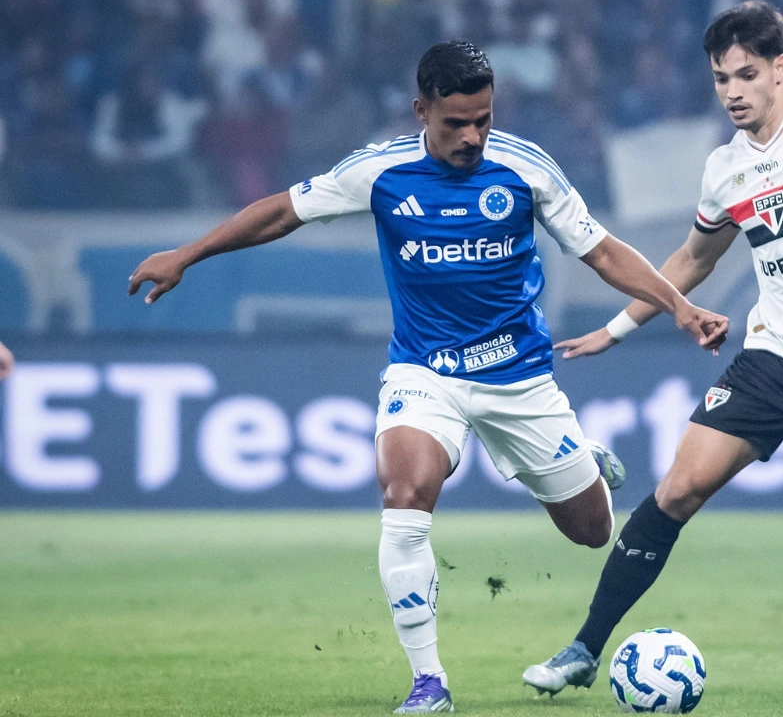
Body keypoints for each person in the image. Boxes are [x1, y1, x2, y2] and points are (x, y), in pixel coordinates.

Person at [127, 41, 728, 714]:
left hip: (519, 377)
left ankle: (578, 461)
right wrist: (188, 253)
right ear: (421, 110)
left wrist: (677, 305)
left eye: (484, 121)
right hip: (425, 372)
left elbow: (602, 251)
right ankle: (429, 683)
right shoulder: (380, 171)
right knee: (405, 495)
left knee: (591, 530)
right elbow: (279, 212)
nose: (473, 136)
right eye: (456, 123)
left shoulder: (527, 170)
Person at [522, 1, 783, 696]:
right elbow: (693, 259)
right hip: (775, 356)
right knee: (678, 488)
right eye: (721, 78)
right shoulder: (725, 170)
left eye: (746, 75)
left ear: (780, 68)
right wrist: (619, 327)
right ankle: (583, 649)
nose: (732, 91)